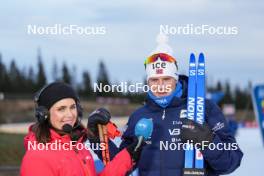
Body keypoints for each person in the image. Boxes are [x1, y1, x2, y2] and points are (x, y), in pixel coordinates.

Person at [88, 52, 243, 176]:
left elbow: (231, 162)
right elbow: (121, 164)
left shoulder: (204, 108)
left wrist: (208, 142)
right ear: (148, 82)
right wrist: (97, 139)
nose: (160, 86)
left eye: (166, 79)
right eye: (154, 80)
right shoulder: (139, 116)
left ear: (176, 79)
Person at [20, 82, 142, 176]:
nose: (70, 114)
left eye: (72, 107)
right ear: (44, 115)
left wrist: (128, 155)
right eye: (61, 109)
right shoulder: (37, 158)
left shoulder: (79, 148)